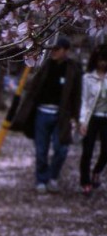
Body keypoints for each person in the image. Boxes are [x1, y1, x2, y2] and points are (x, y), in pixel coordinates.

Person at [12, 36, 83, 194]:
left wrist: (76, 117)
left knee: (62, 148)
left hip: (61, 115)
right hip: (42, 113)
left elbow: (76, 95)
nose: (54, 53)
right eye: (52, 50)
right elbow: (33, 89)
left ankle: (53, 176)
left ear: (66, 51)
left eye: (57, 49)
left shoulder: (73, 69)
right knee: (41, 150)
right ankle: (41, 179)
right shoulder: (45, 66)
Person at [78, 45, 107, 195]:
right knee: (87, 151)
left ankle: (97, 171)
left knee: (106, 150)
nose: (103, 63)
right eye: (101, 60)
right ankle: (85, 181)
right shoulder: (88, 78)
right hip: (92, 117)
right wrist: (83, 121)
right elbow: (84, 101)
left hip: (105, 118)